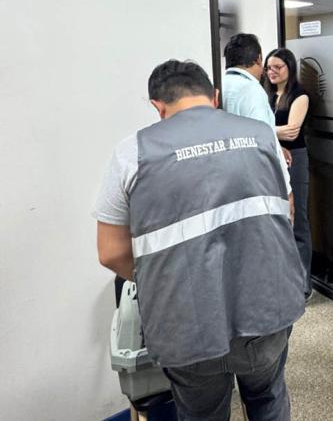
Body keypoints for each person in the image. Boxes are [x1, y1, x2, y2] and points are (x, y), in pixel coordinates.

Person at [94, 60, 305, 421]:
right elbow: (286, 213)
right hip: (267, 305)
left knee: (202, 412)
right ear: (215, 97)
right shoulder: (261, 135)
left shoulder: (133, 153)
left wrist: (167, 278)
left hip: (188, 321)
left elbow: (111, 252)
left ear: (157, 106)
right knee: (268, 398)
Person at [264, 48, 317, 298]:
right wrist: (276, 131)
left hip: (294, 159)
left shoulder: (300, 95)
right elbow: (279, 131)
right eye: (269, 67)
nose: (272, 72)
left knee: (298, 219)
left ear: (289, 69)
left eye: (278, 67)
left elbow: (293, 132)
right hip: (272, 157)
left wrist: (265, 130)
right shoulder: (265, 94)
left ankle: (304, 285)